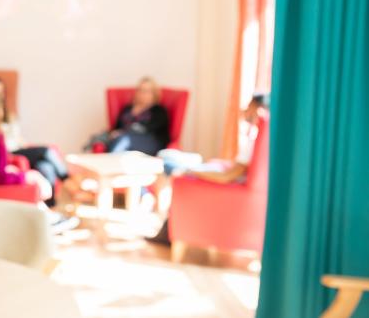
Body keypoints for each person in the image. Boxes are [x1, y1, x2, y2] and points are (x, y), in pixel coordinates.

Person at [146, 94, 269, 245]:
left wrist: (191, 171)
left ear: (259, 110)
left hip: (223, 176)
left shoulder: (257, 139)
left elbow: (227, 177)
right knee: (167, 157)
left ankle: (165, 223)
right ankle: (164, 220)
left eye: (249, 106)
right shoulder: (262, 136)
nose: (244, 110)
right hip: (223, 169)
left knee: (166, 161)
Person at [0, 90, 79, 232]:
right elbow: (0, 177)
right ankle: (48, 219)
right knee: (36, 172)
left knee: (41, 166)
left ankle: (49, 217)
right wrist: (25, 176)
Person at [0, 77, 71, 207]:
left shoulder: (8, 114)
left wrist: (26, 145)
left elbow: (17, 137)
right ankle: (69, 181)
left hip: (19, 147)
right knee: (47, 151)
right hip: (10, 151)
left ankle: (50, 207)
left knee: (45, 166)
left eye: (1, 91)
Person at [105, 77, 170, 156]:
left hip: (148, 141)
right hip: (122, 139)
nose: (143, 94)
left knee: (124, 140)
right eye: (140, 90)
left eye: (147, 91)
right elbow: (116, 128)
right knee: (118, 140)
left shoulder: (158, 111)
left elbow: (148, 129)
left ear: (154, 93)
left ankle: (110, 162)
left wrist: (124, 132)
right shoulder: (127, 109)